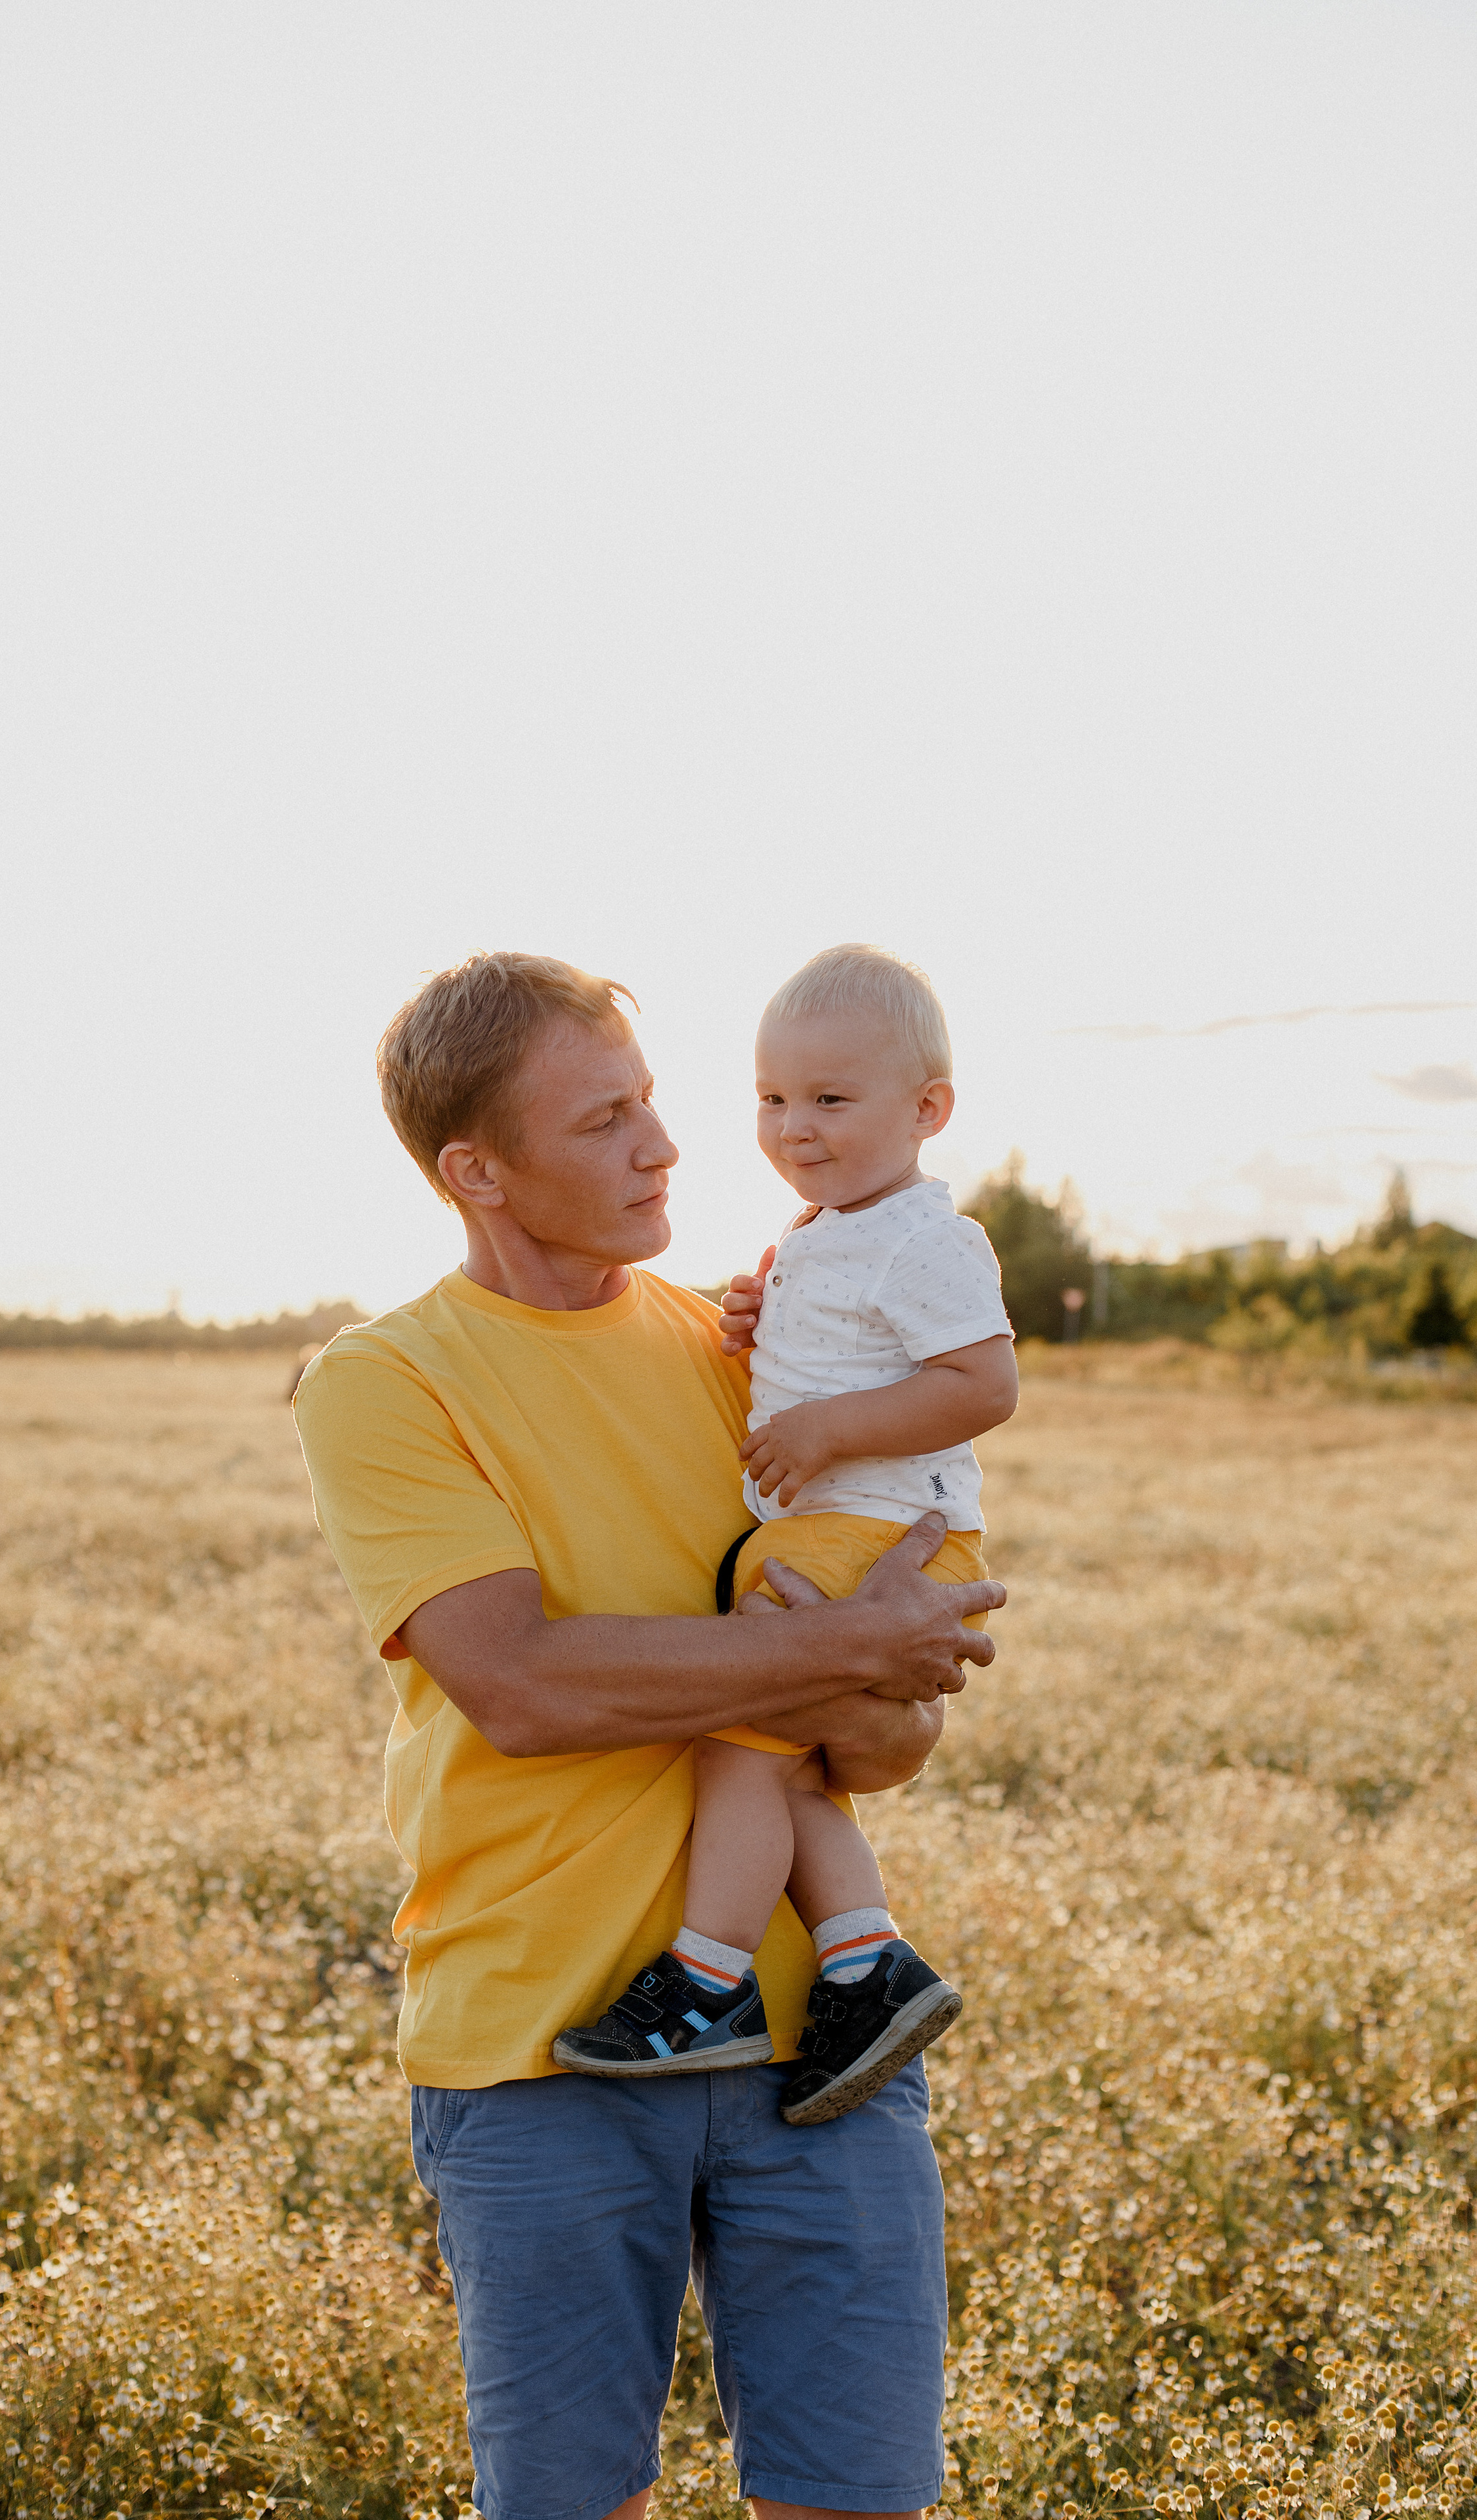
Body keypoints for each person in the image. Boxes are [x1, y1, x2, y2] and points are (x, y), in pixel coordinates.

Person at [293, 950, 1006, 2520]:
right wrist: (833, 1659)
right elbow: (522, 1687)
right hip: (541, 2049)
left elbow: (883, 1738)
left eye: (654, 1103)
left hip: (823, 2046)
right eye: (606, 1120)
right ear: (476, 1170)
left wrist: (858, 1678)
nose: (667, 1147)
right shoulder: (385, 1381)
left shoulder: (745, 1350)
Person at [553, 944, 1017, 2125]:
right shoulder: (827, 1227)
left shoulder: (927, 1235)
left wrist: (825, 1429)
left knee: (735, 1739)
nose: (793, 1126)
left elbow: (982, 1383)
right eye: (771, 1098)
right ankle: (865, 1963)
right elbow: (849, 1335)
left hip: (872, 1535)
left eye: (829, 1099)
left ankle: (710, 1981)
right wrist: (767, 1316)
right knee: (788, 1758)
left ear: (928, 1111)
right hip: (829, 1533)